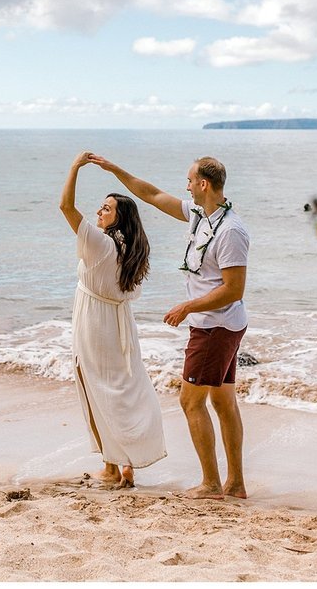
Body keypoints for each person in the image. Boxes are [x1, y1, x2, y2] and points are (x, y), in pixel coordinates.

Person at [89, 154, 249, 500]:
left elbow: (234, 289)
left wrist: (187, 307)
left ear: (204, 185)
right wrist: (117, 169)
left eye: (190, 181)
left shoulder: (231, 231)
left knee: (191, 402)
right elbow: (151, 194)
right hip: (218, 324)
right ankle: (234, 485)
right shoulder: (199, 215)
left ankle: (211, 484)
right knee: (223, 403)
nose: (186, 186)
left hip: (215, 326)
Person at [59, 151, 167, 488]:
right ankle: (120, 463)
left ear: (119, 218)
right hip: (121, 325)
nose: (99, 211)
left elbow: (65, 207)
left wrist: (75, 166)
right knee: (119, 388)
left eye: (106, 209)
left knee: (95, 387)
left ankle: (114, 466)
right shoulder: (132, 250)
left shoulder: (101, 244)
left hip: (94, 323)